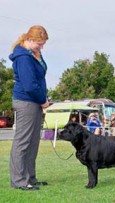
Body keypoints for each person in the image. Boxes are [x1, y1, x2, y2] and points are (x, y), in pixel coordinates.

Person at [9, 25, 49, 191]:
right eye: (40, 43)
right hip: (26, 102)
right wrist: (43, 101)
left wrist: (41, 99)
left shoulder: (33, 53)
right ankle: (19, 181)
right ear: (30, 39)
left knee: (33, 143)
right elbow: (29, 85)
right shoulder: (23, 57)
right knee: (22, 143)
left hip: (34, 102)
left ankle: (30, 177)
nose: (42, 47)